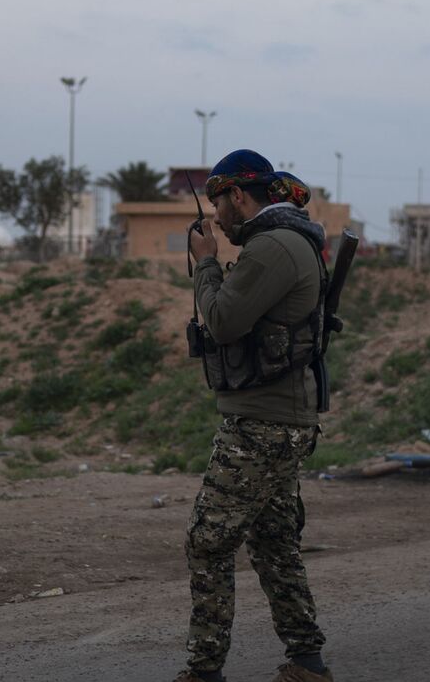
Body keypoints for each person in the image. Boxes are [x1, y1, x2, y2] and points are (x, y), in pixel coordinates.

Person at [176, 149, 332, 682]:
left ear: (238, 197)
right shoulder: (291, 240)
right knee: (271, 543)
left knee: (208, 540)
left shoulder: (272, 248)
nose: (217, 217)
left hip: (261, 424)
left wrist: (204, 262)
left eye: (220, 204)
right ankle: (307, 660)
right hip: (281, 419)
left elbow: (221, 321)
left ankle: (204, 670)